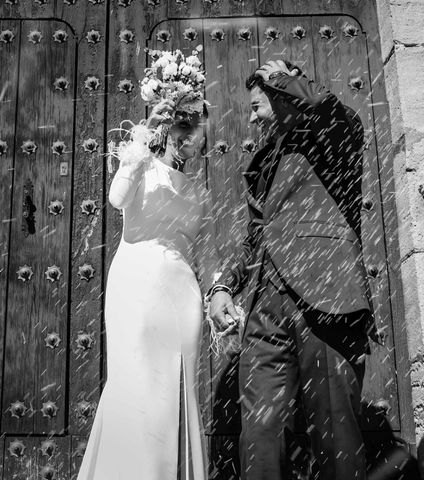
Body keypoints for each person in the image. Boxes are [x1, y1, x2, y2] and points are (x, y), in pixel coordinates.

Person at [207, 60, 380, 480]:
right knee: (260, 431)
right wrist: (225, 286)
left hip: (326, 298)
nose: (249, 118)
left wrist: (281, 77)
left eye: (256, 104)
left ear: (281, 95)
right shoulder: (262, 161)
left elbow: (330, 110)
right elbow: (255, 233)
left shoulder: (331, 135)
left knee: (335, 433)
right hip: (266, 309)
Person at [76, 98, 216, 480]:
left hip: (182, 297)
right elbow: (116, 198)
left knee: (176, 391)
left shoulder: (201, 192)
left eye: (198, 131)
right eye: (183, 127)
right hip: (136, 287)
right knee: (137, 383)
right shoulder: (141, 166)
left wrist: (218, 294)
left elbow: (205, 251)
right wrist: (142, 136)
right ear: (169, 129)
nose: (190, 137)